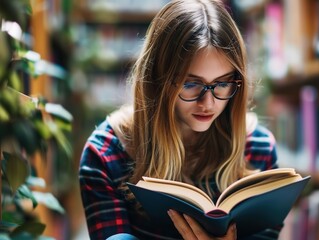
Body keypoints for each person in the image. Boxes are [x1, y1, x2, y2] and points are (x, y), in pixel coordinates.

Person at [79, 0, 279, 239]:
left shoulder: (258, 148)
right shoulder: (105, 153)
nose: (208, 103)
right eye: (191, 83)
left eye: (223, 83)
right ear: (157, 79)